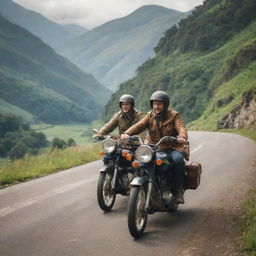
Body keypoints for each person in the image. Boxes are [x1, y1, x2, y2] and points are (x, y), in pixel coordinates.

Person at [121, 91, 188, 204]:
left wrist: (181, 136)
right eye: (155, 104)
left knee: (178, 161)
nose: (157, 106)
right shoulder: (150, 115)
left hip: (172, 147)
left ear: (165, 105)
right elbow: (140, 125)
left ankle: (177, 191)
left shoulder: (174, 115)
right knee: (140, 160)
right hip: (154, 146)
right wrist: (127, 133)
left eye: (159, 104)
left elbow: (181, 127)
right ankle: (141, 182)